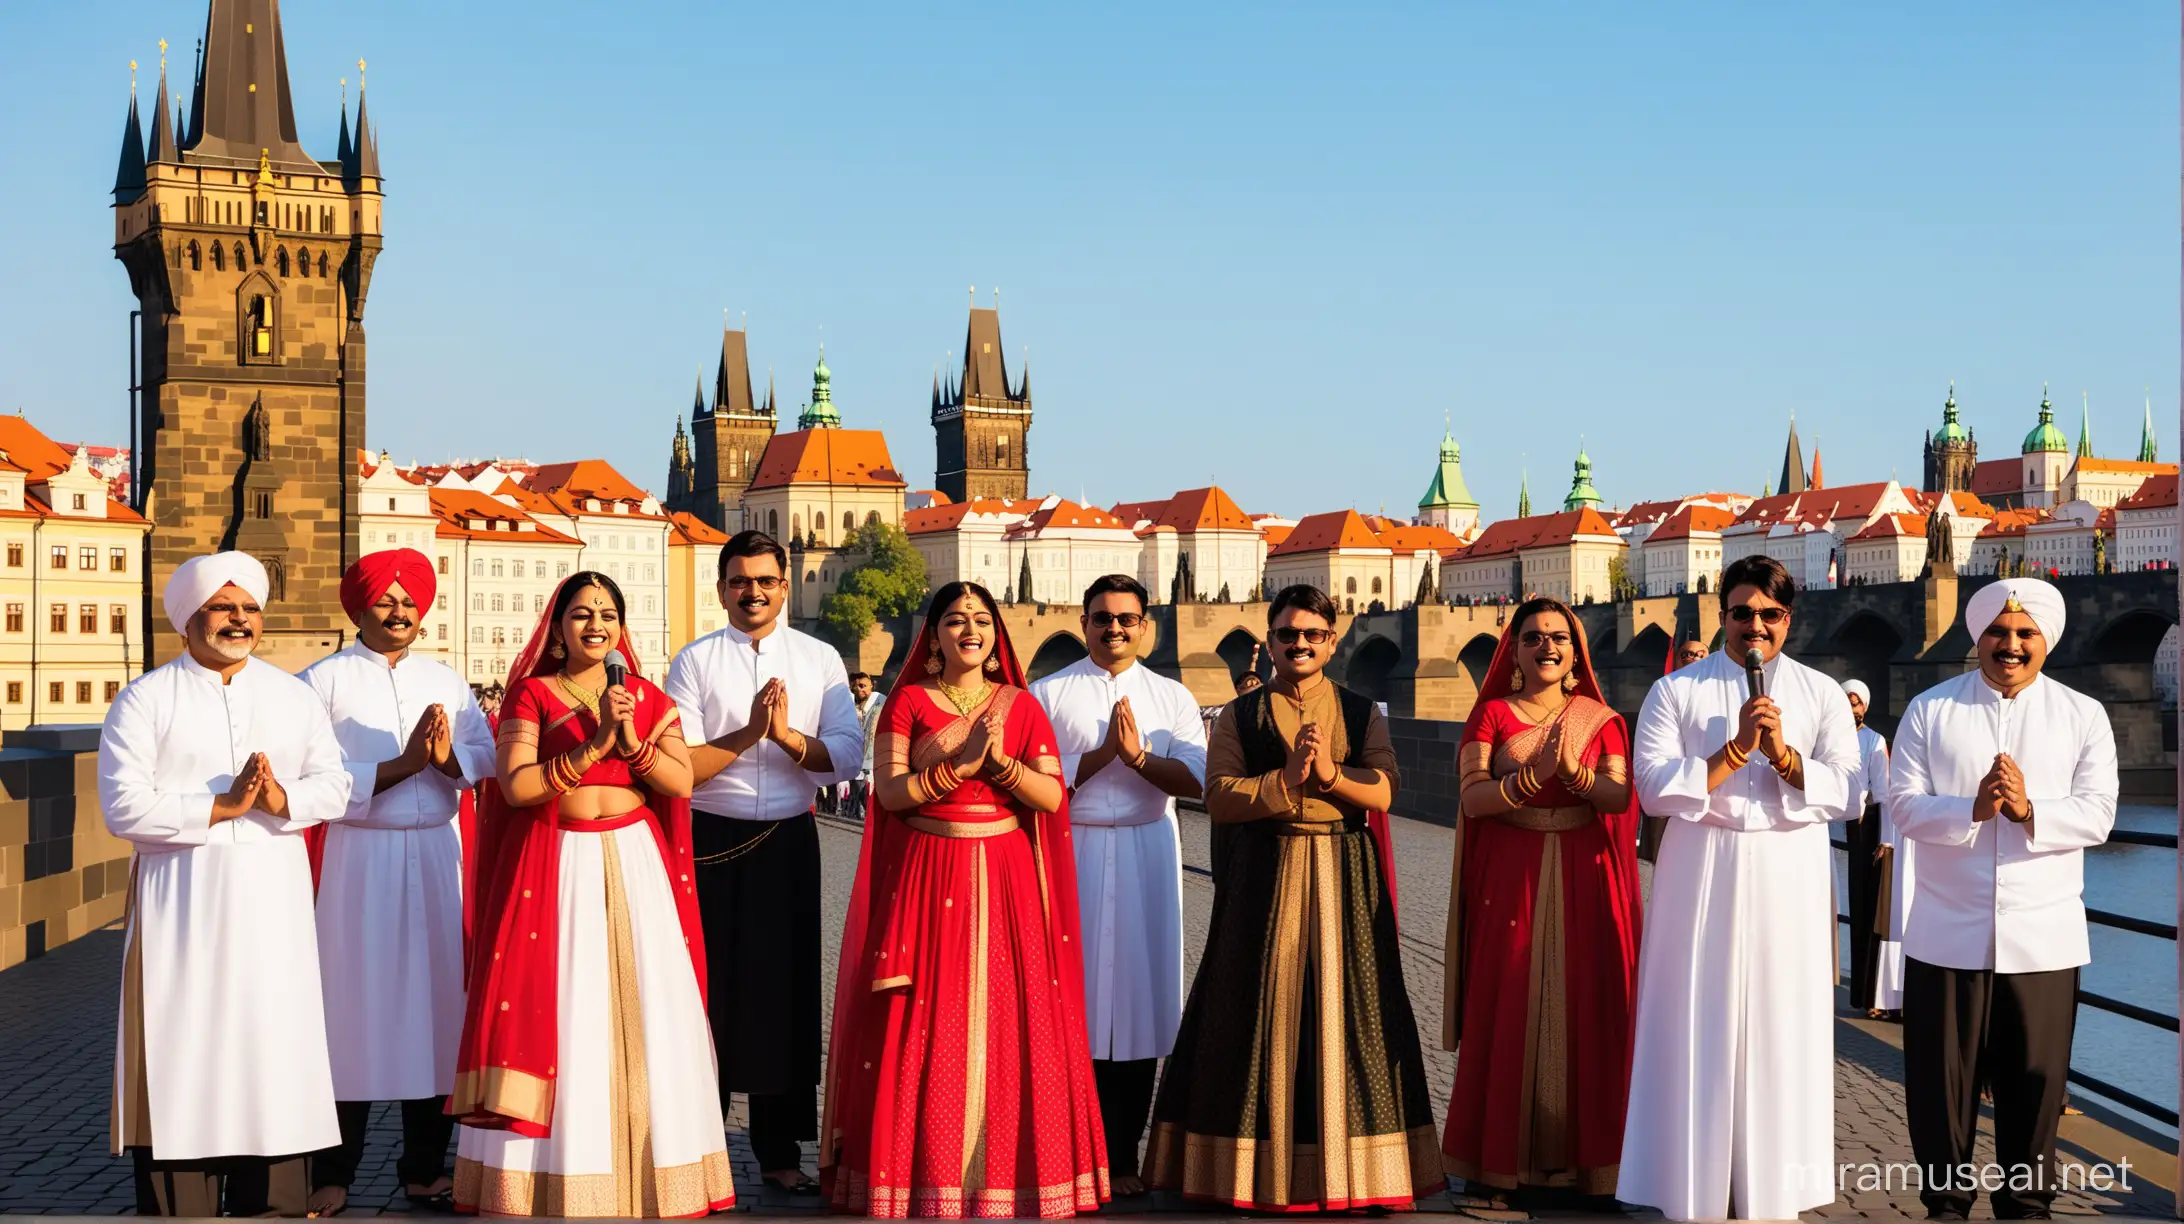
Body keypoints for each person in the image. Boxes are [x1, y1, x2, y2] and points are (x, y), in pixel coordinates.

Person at [1145, 584, 1440, 1212]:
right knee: (1248, 1012)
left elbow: (1385, 790)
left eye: (1312, 634)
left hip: (1344, 878)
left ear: (1331, 642)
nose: (1299, 644)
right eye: (1287, 634)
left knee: (1353, 1014)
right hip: (1264, 877)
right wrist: (1286, 782)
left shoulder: (1362, 714)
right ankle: (1244, 1173)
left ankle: (1359, 1172)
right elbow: (1219, 796)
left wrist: (1331, 775)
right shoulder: (1238, 715)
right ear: (1269, 641)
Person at [448, 572, 733, 1217]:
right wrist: (594, 745)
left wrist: (628, 742)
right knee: (570, 1005)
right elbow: (517, 787)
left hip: (634, 860)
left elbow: (681, 783)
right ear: (557, 627)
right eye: (580, 613)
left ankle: (654, 1171)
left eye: (607, 613)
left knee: (650, 1005)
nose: (594, 624)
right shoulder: (532, 696)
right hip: (560, 861)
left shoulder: (650, 700)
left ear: (622, 628)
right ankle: (554, 1175)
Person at [821, 581, 1109, 1217]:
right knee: (927, 1013)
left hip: (1006, 873)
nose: (969, 630)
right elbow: (891, 795)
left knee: (1009, 1015)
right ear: (934, 635)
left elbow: (1052, 797)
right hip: (930, 868)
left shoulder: (1021, 706)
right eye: (955, 620)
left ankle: (1009, 1173)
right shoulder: (908, 705)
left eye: (980, 619)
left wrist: (999, 766)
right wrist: (958, 768)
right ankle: (922, 1173)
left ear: (995, 633)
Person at [99, 551, 352, 1217]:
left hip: (275, 903)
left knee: (274, 1047)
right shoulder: (145, 699)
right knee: (186, 1049)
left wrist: (276, 798)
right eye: (222, 607)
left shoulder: (293, 697)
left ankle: (272, 1204)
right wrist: (217, 808)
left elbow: (335, 786)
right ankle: (185, 1206)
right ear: (188, 618)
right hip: (180, 904)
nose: (238, 620)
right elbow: (122, 807)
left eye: (248, 609)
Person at [1618, 555, 1862, 1221]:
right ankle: (1688, 1183)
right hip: (1704, 864)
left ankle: (1776, 1188)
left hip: (1790, 868)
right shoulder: (1679, 691)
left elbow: (1850, 791)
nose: (1755, 626)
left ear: (1789, 619)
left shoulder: (1819, 693)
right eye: (1742, 612)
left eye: (1770, 615)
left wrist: (1784, 758)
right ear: (1722, 614)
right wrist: (1730, 755)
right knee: (1694, 1014)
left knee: (1785, 1020)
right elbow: (1654, 787)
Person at [1891, 578, 2117, 1221]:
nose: (2010, 646)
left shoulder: (2083, 715)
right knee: (1940, 1086)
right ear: (1978, 637)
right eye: (1997, 632)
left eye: (2024, 634)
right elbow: (1903, 805)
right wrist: (1973, 807)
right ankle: (1945, 1205)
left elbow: (2099, 815)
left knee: (2037, 1083)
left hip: (2043, 935)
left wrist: (2026, 810)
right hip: (1945, 930)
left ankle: (2026, 1204)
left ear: (2046, 641)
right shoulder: (1930, 710)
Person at [664, 530, 862, 1196]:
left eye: (765, 581)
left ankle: (778, 1149)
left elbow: (845, 757)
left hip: (785, 837)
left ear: (785, 585)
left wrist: (786, 738)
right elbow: (682, 765)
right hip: (710, 837)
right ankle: (701, 1146)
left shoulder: (821, 658)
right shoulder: (693, 662)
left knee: (784, 994)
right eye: (740, 581)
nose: (753, 592)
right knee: (706, 996)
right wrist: (750, 735)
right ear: (722, 589)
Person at [301, 549, 496, 1215]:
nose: (398, 611)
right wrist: (402, 762)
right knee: (348, 1011)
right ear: (357, 607)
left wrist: (445, 760)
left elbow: (484, 758)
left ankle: (423, 1167)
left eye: (409, 602)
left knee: (439, 1011)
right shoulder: (319, 682)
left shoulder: (448, 680)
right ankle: (332, 1170)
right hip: (359, 856)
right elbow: (315, 775)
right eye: (385, 600)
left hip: (436, 855)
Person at [1439, 598, 1642, 1213]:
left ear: (1575, 651)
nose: (1547, 646)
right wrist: (1535, 777)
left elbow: (1617, 797)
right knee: (1507, 1003)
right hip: (1513, 872)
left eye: (1559, 637)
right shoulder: (1492, 715)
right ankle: (1495, 1165)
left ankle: (1594, 1169)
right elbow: (1475, 802)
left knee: (1589, 1004)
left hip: (1586, 871)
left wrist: (1575, 777)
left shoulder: (1599, 718)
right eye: (1533, 637)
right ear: (1516, 650)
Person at [1028, 575, 1207, 1196]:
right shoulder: (1047, 693)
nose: (1115, 629)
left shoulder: (1173, 697)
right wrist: (1103, 755)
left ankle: (1124, 1155)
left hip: (1147, 851)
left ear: (1146, 625)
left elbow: (1197, 781)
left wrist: (1137, 760)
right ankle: (1066, 1150)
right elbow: (1028, 778)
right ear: (1084, 622)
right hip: (1069, 849)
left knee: (1137, 1005)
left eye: (1127, 618)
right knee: (1067, 1002)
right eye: (1102, 618)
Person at [1840, 679, 1898, 1019]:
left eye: (1856, 702)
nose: (1851, 709)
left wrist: (1886, 839)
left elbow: (1885, 795)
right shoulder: (1827, 737)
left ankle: (1872, 992)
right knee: (1852, 913)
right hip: (1841, 825)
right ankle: (1859, 994)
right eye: (1846, 702)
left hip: (1867, 830)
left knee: (1868, 911)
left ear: (1865, 706)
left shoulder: (1874, 741)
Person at [848, 671, 887, 817]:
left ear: (872, 685)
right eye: (855, 686)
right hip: (855, 758)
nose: (859, 689)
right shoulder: (850, 704)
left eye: (863, 686)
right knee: (858, 792)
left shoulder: (881, 702)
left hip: (875, 757)